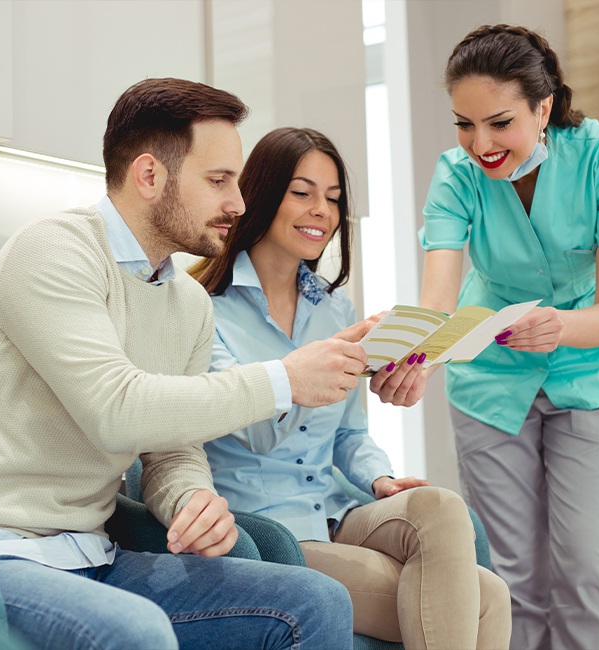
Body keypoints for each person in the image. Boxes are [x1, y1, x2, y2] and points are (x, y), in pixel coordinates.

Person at [0, 78, 364, 650]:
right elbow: (117, 410)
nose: (238, 202)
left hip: (90, 553)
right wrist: (284, 379)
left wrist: (189, 499)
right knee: (133, 631)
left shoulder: (186, 302)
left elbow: (172, 448)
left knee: (314, 600)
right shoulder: (53, 251)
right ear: (149, 176)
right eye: (218, 181)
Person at [189, 126, 512, 650]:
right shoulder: (202, 307)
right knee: (488, 598)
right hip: (268, 530)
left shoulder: (334, 307)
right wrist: (316, 363)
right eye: (303, 192)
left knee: (442, 507)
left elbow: (349, 435)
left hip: (337, 508)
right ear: (262, 194)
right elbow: (255, 433)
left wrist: (379, 478)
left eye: (334, 198)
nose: (322, 209)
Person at [418, 24, 599, 650]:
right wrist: (410, 354)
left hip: (591, 370)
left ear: (543, 106)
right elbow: (437, 304)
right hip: (490, 378)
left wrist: (559, 328)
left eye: (499, 123)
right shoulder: (455, 175)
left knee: (585, 571)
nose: (481, 144)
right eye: (464, 125)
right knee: (510, 580)